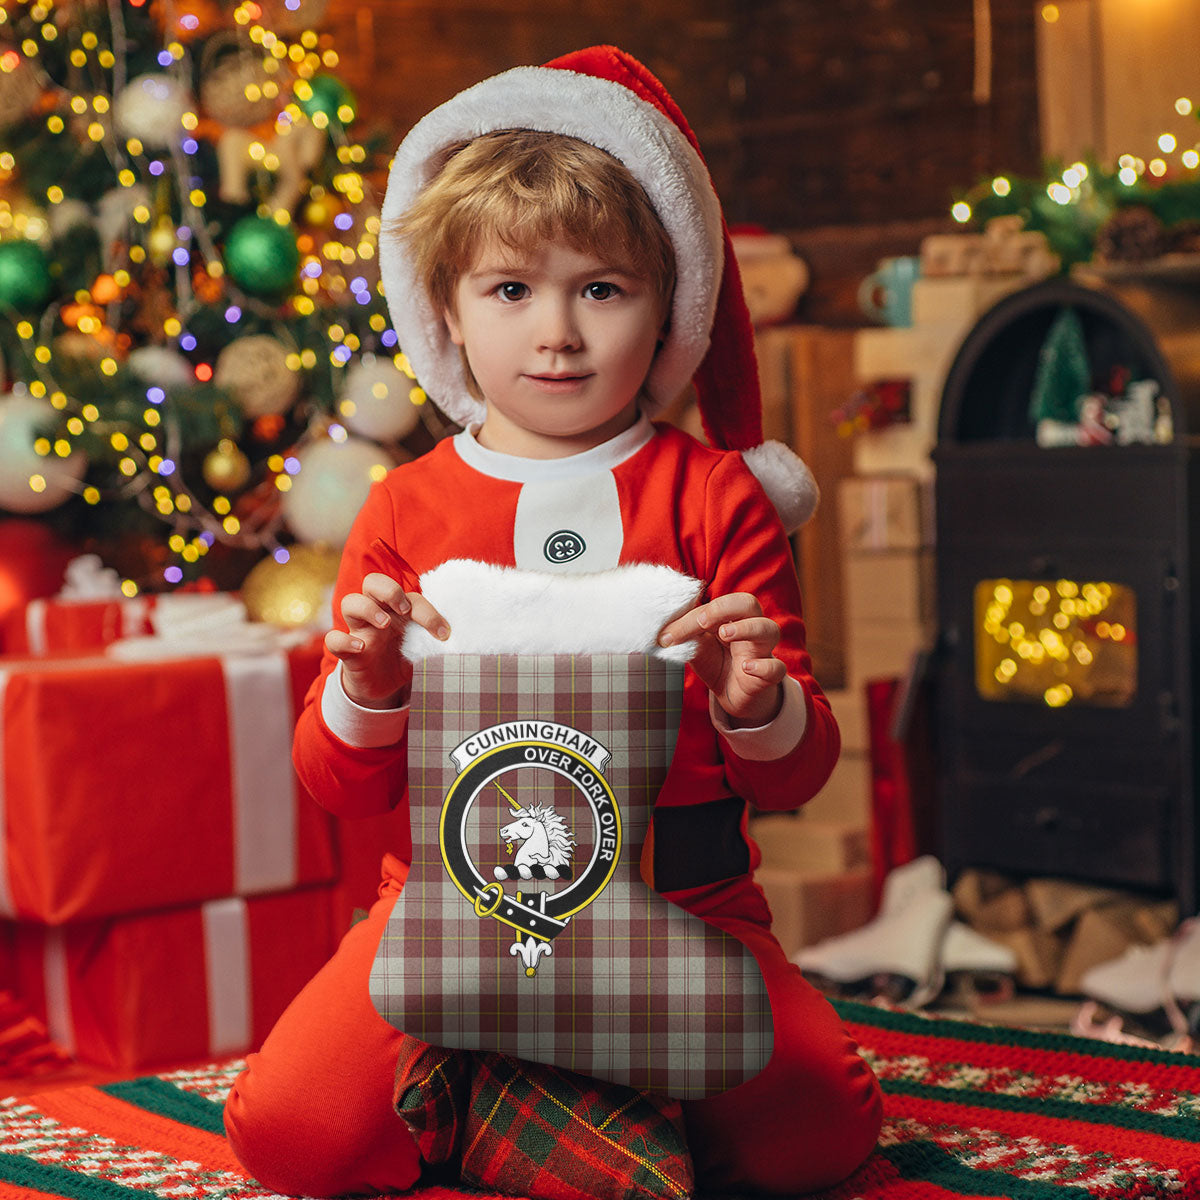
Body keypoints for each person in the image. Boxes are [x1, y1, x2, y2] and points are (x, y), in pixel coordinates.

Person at [224, 45, 882, 1198]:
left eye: (602, 288)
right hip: (445, 904)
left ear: (665, 303)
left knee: (816, 1137)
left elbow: (796, 780)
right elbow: (338, 784)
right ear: (446, 310)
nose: (558, 334)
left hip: (687, 903)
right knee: (294, 1136)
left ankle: (526, 1087)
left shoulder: (716, 496)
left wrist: (760, 705)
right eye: (512, 289)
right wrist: (369, 686)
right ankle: (541, 1087)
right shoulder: (406, 504)